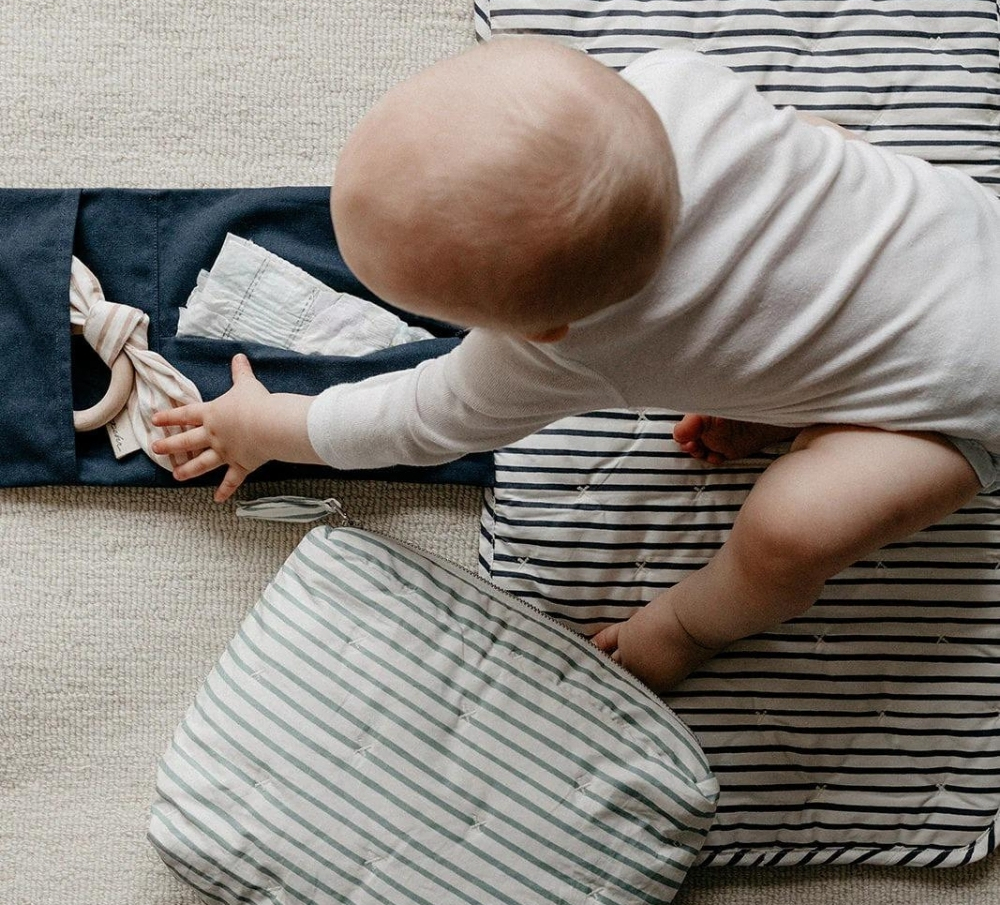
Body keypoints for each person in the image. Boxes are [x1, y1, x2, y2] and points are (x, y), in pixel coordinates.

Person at [152, 35, 999, 693]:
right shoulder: (677, 84)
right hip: (968, 237)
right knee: (816, 145)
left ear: (548, 329)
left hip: (956, 408)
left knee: (790, 533)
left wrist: (259, 426)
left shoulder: (560, 358)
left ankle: (690, 628)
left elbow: (408, 420)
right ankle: (779, 387)